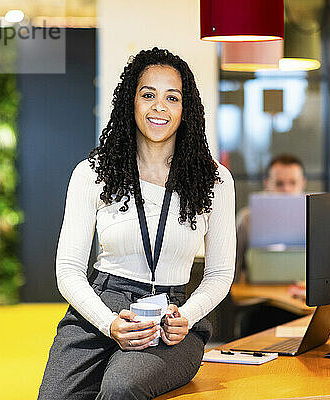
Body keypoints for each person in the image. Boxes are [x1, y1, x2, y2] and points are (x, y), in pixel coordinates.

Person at [38, 47, 236, 399]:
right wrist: (108, 322)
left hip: (173, 318)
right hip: (101, 304)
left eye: (171, 97)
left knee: (121, 386)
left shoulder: (215, 180)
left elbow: (219, 275)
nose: (159, 107)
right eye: (148, 95)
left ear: (185, 109)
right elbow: (68, 269)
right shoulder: (93, 173)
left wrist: (187, 317)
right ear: (131, 103)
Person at [234, 154, 306, 283]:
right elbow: (234, 265)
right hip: (257, 293)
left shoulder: (315, 218)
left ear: (302, 183)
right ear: (267, 183)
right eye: (279, 183)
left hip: (301, 291)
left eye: (293, 183)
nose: (287, 189)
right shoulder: (247, 218)